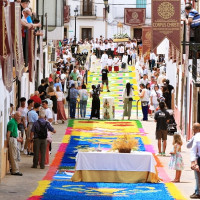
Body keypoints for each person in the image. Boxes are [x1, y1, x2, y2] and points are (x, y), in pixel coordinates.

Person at [7, 111, 23, 176]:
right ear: (15, 116)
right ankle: (15, 170)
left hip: (14, 139)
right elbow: (8, 133)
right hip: (12, 139)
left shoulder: (14, 122)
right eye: (19, 116)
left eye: (20, 116)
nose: (20, 118)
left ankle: (13, 168)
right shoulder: (12, 123)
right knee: (14, 155)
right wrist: (8, 142)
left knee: (14, 155)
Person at [187, 123, 200, 199]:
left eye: (193, 129)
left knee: (197, 177)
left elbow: (189, 147)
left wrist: (193, 162)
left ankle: (198, 192)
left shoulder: (196, 137)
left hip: (198, 159)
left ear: (195, 129)